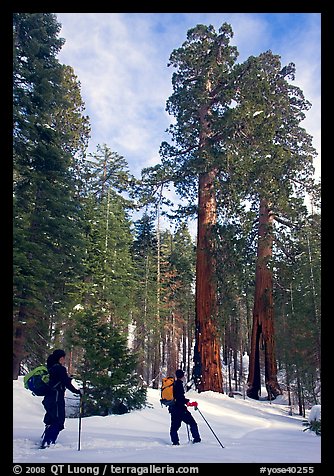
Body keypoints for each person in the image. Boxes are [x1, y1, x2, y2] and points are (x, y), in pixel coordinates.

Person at [40, 349, 81, 448]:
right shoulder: (60, 369)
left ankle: (46, 440)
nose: (64, 360)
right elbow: (66, 382)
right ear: (60, 358)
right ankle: (48, 442)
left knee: (51, 419)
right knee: (58, 421)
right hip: (56, 398)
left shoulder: (50, 367)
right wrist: (77, 391)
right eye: (63, 358)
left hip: (49, 398)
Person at [169, 369, 201, 445]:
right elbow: (180, 398)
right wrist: (188, 402)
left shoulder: (173, 384)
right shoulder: (179, 384)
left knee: (174, 427)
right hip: (180, 409)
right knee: (192, 423)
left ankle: (175, 442)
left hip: (173, 408)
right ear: (182, 376)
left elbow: (177, 397)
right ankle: (197, 440)